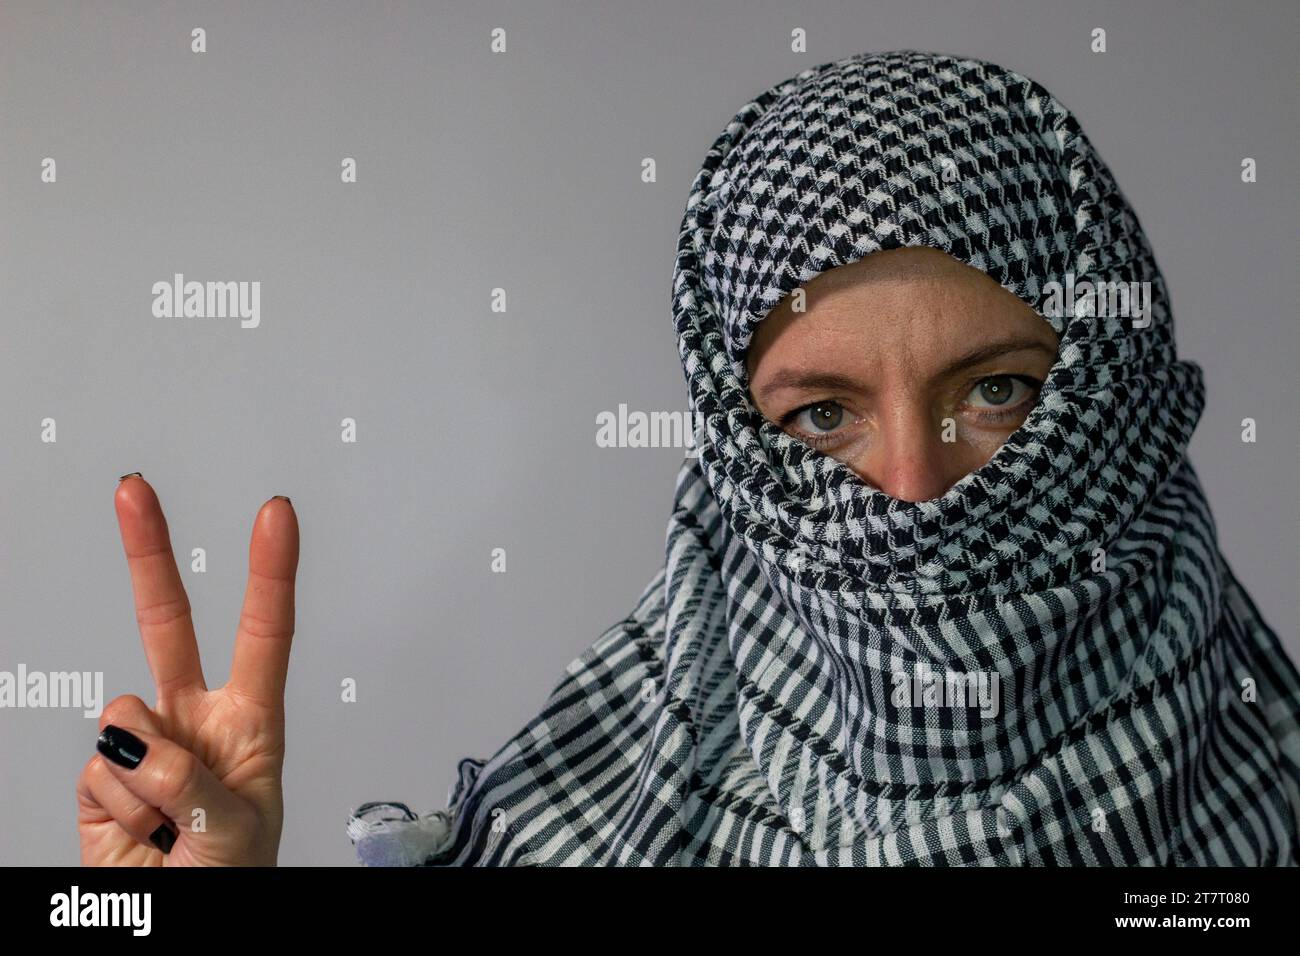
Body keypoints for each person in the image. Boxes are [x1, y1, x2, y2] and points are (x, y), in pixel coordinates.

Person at [79, 50, 1300, 867]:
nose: (917, 492)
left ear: (1120, 397)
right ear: (735, 449)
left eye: (996, 392)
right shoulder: (611, 809)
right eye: (822, 416)